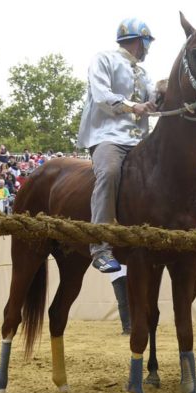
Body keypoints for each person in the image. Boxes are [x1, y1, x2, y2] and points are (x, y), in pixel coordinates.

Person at [77, 18, 158, 273]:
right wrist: (133, 106)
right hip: (107, 137)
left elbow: (154, 100)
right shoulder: (103, 59)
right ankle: (100, 247)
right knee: (110, 172)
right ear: (141, 41)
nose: (147, 49)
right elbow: (101, 96)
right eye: (147, 44)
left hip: (139, 140)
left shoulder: (145, 74)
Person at [110, 265, 131, 335]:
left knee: (135, 301)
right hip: (115, 276)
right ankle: (127, 328)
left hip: (130, 273)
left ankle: (139, 326)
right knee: (122, 303)